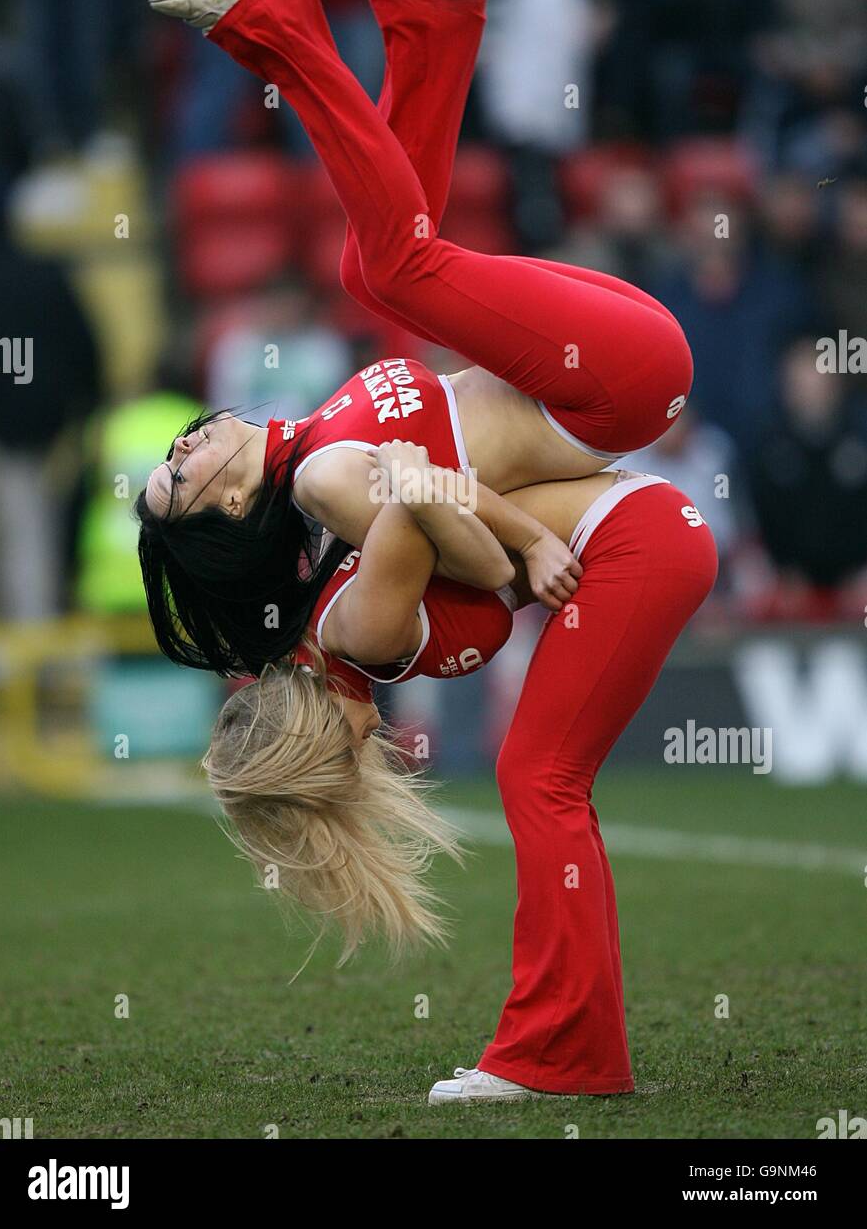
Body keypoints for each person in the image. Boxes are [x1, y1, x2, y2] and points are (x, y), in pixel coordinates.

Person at [136, 0, 693, 678]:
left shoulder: (312, 436)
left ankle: (427, 21)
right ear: (230, 510)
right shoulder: (317, 481)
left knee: (366, 274)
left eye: (169, 451)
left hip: (603, 364)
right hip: (609, 389)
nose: (182, 444)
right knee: (398, 268)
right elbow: (477, 561)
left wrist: (437, 487)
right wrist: (525, 541)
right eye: (175, 476)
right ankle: (279, 29)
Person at [203, 440, 718, 1102]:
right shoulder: (333, 645)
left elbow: (416, 486)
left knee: (538, 777)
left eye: (340, 769)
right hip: (638, 528)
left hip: (628, 538)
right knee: (543, 777)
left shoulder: (363, 635)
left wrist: (528, 540)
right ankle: (582, 1050)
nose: (364, 761)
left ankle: (555, 1055)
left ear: (317, 745)